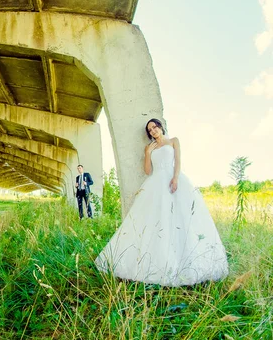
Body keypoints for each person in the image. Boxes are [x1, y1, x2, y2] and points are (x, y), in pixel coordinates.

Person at [94, 119, 228, 286]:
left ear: (161, 127)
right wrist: (148, 154)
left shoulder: (174, 141)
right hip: (156, 184)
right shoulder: (149, 147)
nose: (153, 131)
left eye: (155, 127)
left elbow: (178, 161)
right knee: (156, 221)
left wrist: (175, 178)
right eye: (150, 130)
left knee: (183, 218)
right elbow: (148, 171)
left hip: (174, 180)